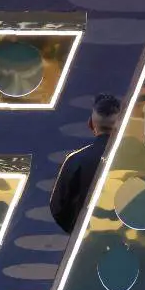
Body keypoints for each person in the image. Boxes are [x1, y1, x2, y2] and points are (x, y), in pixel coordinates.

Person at [49, 93, 121, 234]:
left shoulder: (75, 160)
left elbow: (58, 209)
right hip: (125, 240)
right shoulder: (136, 159)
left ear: (90, 124)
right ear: (122, 124)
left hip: (86, 238)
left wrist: (77, 232)